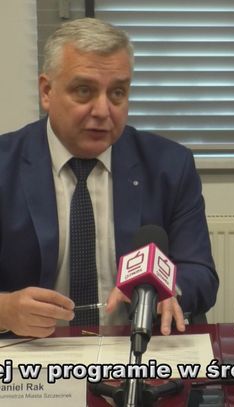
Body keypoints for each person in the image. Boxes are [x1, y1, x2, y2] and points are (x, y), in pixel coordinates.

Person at [0, 18, 218, 338]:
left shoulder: (169, 166)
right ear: (47, 91)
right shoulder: (5, 165)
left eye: (117, 92)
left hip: (137, 347)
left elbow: (200, 272)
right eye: (84, 90)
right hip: (31, 353)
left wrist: (167, 290)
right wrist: (5, 309)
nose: (103, 111)